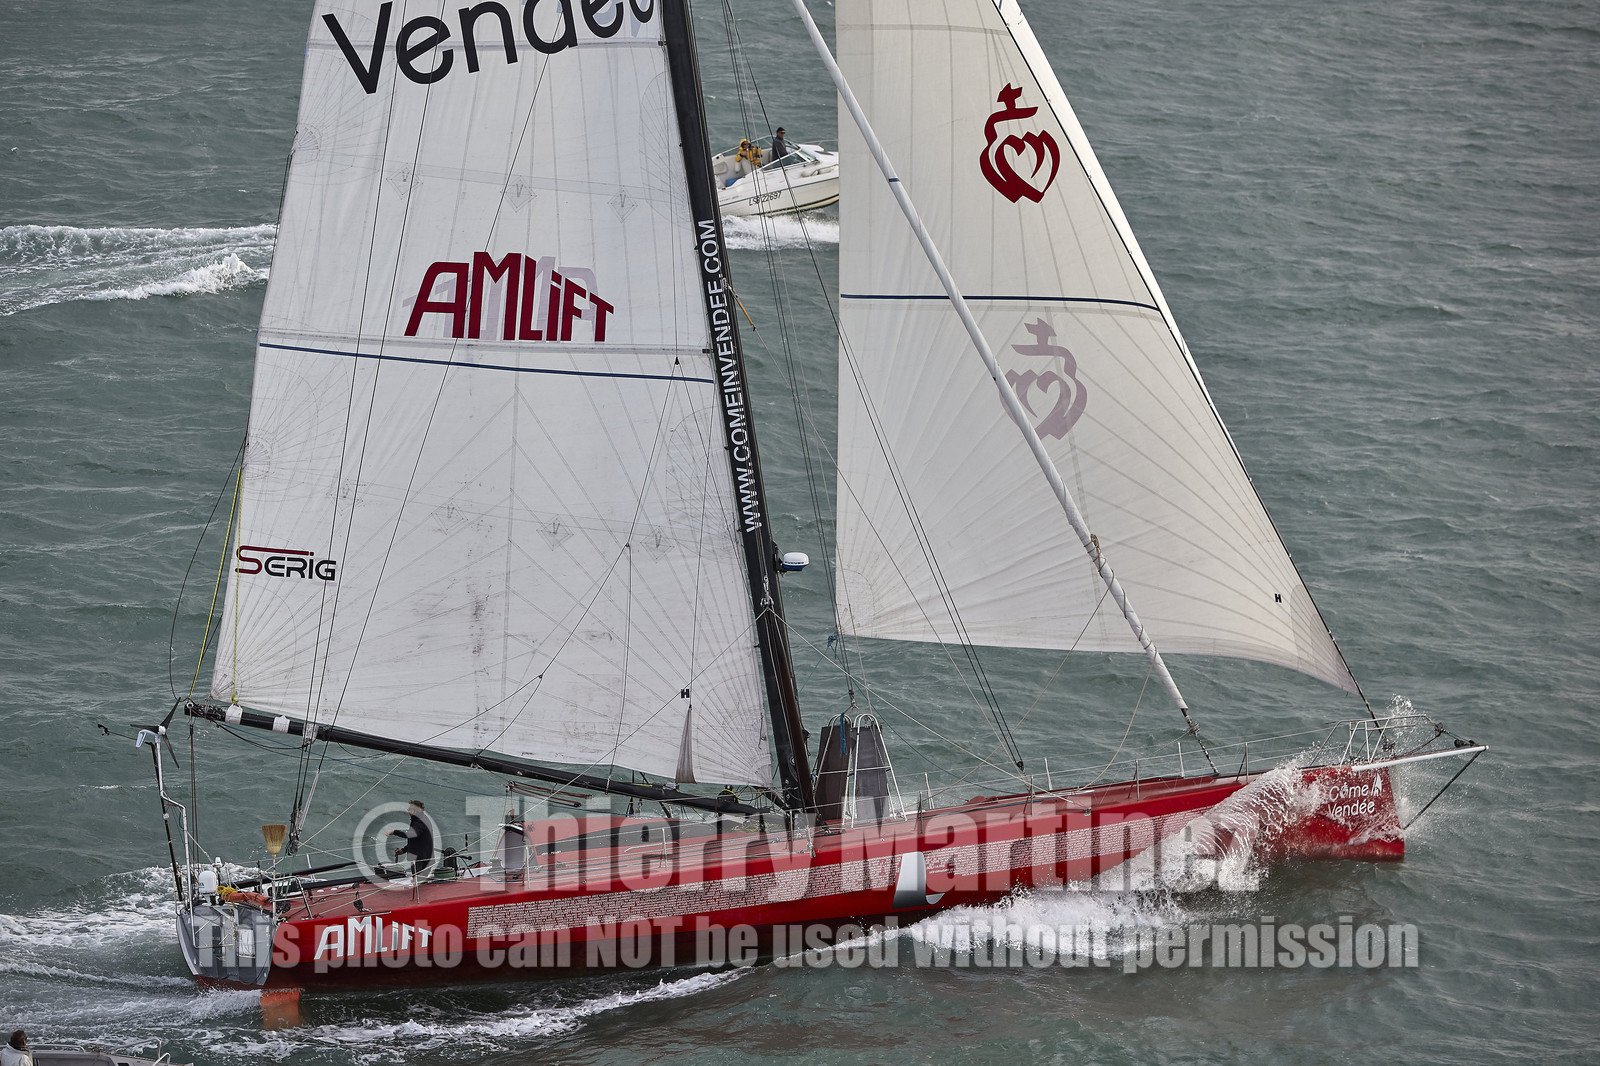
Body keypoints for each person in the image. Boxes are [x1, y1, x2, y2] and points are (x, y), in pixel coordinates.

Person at [387, 799, 434, 874]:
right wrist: (403, 850)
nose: (408, 809)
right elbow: (415, 841)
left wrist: (394, 832)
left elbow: (410, 834)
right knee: (418, 881)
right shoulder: (419, 820)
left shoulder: (420, 822)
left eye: (410, 808)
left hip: (421, 859)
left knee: (418, 881)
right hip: (422, 857)